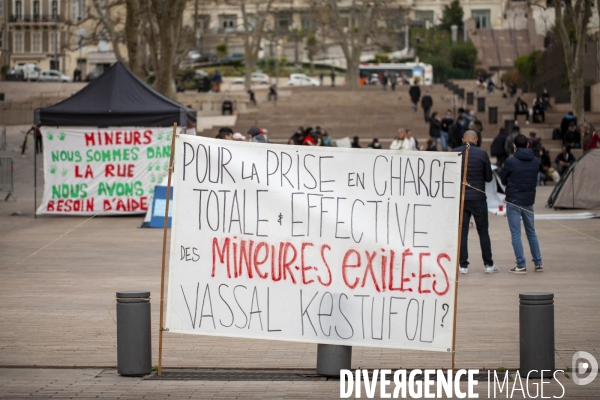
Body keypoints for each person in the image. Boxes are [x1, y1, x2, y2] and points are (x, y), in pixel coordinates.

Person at [454, 130, 497, 274]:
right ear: (476, 140)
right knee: (483, 232)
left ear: (462, 140)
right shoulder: (482, 154)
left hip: (461, 198)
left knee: (462, 233)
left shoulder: (455, 153)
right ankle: (488, 264)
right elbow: (489, 177)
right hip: (478, 198)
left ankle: (463, 265)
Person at [501, 134, 543, 274]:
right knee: (531, 232)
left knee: (516, 234)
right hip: (529, 200)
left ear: (514, 145)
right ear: (527, 145)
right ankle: (538, 262)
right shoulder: (535, 161)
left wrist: (510, 183)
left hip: (514, 201)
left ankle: (521, 264)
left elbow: (502, 179)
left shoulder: (510, 161)